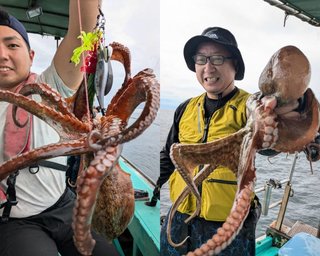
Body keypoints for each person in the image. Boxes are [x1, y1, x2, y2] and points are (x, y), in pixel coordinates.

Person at [159, 27, 293, 256]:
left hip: (228, 226)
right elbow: (168, 155)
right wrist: (153, 190)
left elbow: (268, 142)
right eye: (201, 59)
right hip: (180, 218)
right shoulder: (185, 108)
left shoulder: (249, 106)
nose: (208, 67)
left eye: (218, 58)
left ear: (235, 65)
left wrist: (278, 126)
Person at [0, 2, 119, 256]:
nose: (2, 55)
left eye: (12, 45)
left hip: (62, 205)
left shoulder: (50, 85)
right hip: (15, 221)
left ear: (31, 56)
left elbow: (83, 33)